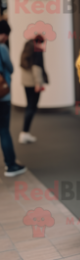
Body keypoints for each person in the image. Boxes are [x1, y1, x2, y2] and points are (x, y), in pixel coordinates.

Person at [0, 20, 27, 177]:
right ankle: (11, 166)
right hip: (2, 96)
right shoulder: (2, 47)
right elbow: (10, 68)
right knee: (4, 130)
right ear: (4, 34)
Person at [19, 35, 48, 144]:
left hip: (26, 82)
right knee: (32, 107)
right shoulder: (37, 49)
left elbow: (24, 65)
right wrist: (38, 83)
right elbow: (37, 67)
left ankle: (25, 133)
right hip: (33, 82)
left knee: (29, 107)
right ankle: (25, 133)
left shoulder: (27, 47)